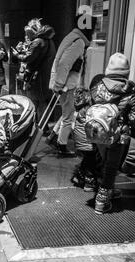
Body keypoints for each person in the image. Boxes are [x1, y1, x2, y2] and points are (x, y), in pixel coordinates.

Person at [89, 53, 135, 214]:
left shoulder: (97, 87)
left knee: (102, 162)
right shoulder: (129, 92)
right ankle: (101, 201)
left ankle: (104, 189)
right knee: (111, 168)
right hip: (118, 137)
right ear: (126, 72)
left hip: (97, 134)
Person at [48, 15, 96, 157]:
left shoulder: (72, 36)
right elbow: (64, 64)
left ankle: (53, 136)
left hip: (63, 84)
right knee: (69, 116)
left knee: (66, 113)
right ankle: (62, 146)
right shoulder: (79, 42)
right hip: (66, 86)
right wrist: (59, 85)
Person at [12, 18, 56, 122]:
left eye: (28, 33)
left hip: (36, 78)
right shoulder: (49, 41)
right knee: (43, 102)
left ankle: (36, 127)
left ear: (33, 31)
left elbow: (28, 58)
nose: (27, 36)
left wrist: (17, 54)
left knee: (35, 102)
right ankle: (42, 127)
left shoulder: (37, 42)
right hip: (47, 77)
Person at [71, 88, 100, 192]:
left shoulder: (79, 107)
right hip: (87, 140)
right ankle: (89, 183)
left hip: (80, 139)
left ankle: (78, 177)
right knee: (91, 162)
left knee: (87, 159)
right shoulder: (88, 108)